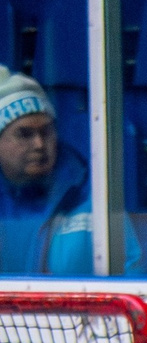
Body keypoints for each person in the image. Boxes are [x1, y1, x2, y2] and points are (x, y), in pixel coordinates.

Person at [0, 71, 125, 276]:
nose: (39, 144)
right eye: (24, 134)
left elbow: (130, 272)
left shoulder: (90, 197)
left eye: (46, 131)